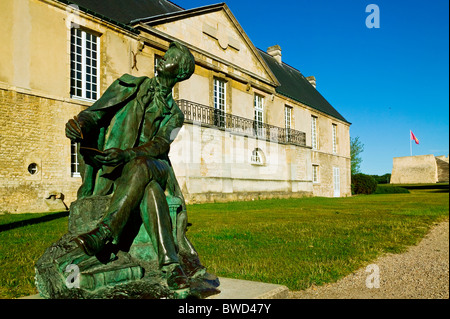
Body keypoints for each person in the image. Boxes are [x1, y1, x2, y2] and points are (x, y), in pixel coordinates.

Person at [65, 41, 195, 291]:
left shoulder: (176, 115)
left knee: (141, 164)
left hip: (156, 165)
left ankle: (104, 233)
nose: (161, 59)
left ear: (179, 72)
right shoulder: (129, 85)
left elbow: (160, 145)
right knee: (150, 191)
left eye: (168, 58)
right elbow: (95, 113)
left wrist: (127, 155)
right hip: (130, 170)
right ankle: (171, 266)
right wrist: (79, 124)